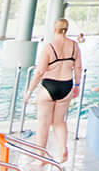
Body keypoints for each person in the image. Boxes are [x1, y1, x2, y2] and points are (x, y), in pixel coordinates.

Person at [24, 18, 82, 162]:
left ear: (54, 29)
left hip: (49, 86)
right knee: (59, 121)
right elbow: (78, 68)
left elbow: (39, 72)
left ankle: (41, 157)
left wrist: (29, 92)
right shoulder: (75, 46)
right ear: (66, 30)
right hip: (67, 85)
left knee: (43, 124)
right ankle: (63, 149)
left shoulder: (49, 47)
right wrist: (77, 86)